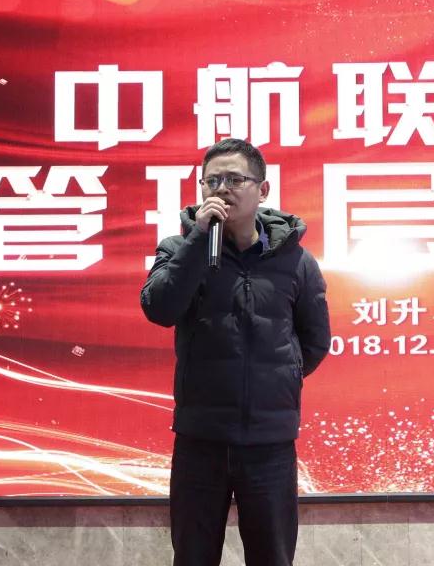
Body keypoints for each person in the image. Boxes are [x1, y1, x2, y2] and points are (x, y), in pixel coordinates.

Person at [140, 138, 331, 566]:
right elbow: (159, 309)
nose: (222, 189)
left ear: (262, 190)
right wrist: (197, 241)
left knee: (272, 557)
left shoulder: (296, 261)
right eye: (212, 181)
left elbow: (316, 340)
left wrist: (276, 377)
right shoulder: (178, 249)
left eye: (234, 179)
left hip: (269, 442)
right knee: (193, 557)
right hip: (200, 440)